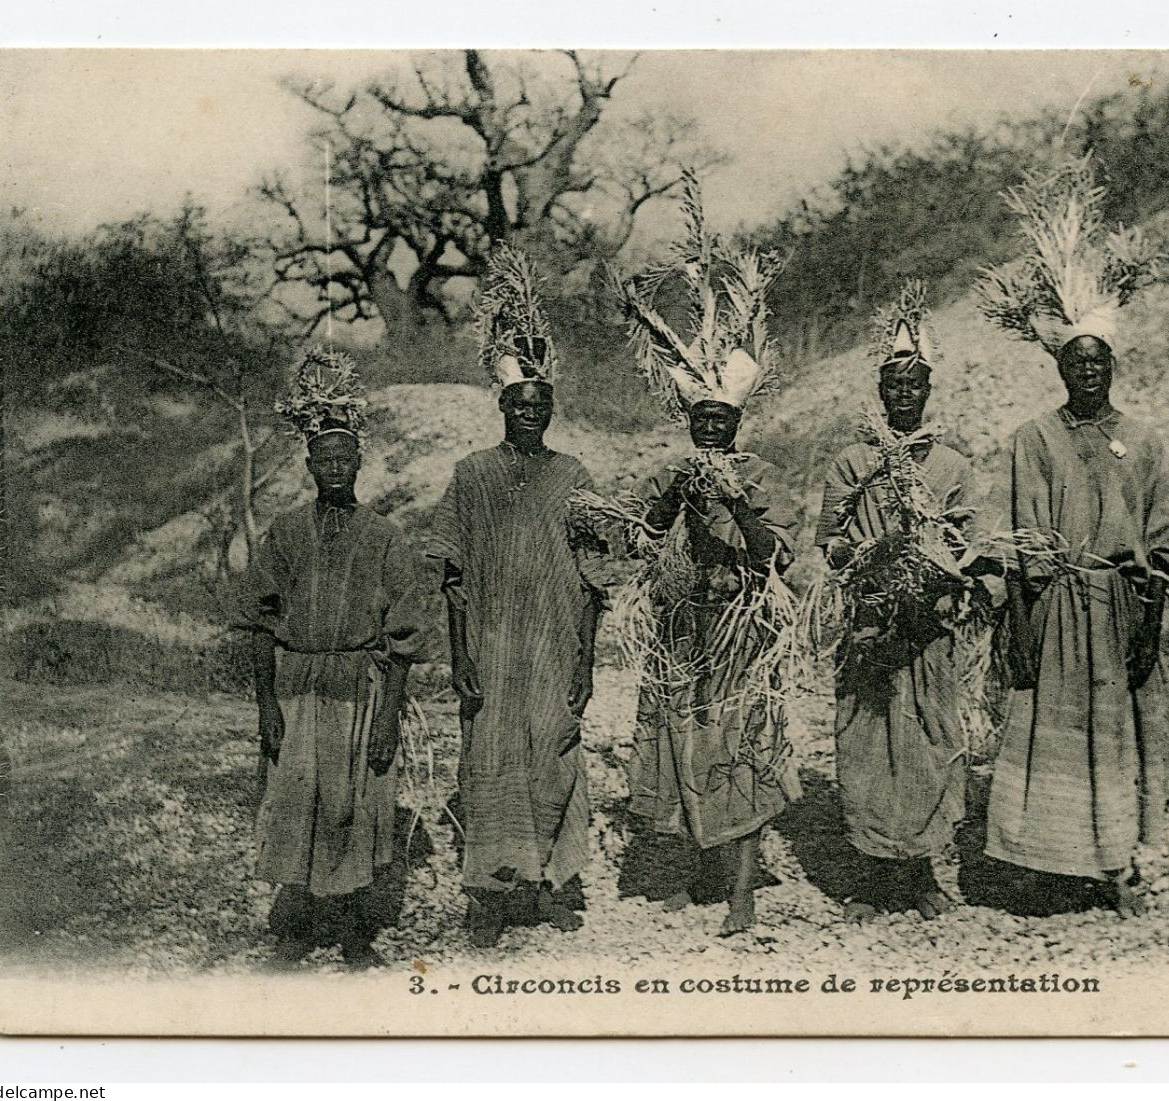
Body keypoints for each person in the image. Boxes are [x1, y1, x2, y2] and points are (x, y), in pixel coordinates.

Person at [976, 157, 1169, 917]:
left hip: (1119, 611)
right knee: (1046, 731)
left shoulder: (1145, 440)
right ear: (1060, 368)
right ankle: (1044, 868)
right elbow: (1019, 545)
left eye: (1097, 361)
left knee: (1124, 735)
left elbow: (1161, 550)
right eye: (1074, 361)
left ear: (1113, 366)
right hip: (1055, 609)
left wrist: (1147, 629)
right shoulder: (1030, 439)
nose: (1087, 373)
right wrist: (1020, 627)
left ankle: (1121, 869)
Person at [615, 174, 801, 936]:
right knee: (682, 748)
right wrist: (674, 498)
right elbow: (642, 539)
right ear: (691, 423)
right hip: (679, 629)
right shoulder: (670, 468)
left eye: (722, 421)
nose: (712, 433)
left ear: (737, 421)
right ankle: (691, 873)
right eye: (702, 422)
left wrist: (727, 498)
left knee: (741, 748)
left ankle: (741, 890)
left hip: (737, 631)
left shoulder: (756, 474)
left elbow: (774, 557)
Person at [426, 247, 604, 949]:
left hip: (554, 647)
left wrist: (586, 663)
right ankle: (491, 894)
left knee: (554, 756)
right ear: (501, 405)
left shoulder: (574, 474)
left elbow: (595, 581)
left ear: (551, 408)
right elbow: (450, 573)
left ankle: (554, 882)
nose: (530, 414)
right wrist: (458, 657)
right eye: (519, 403)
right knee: (489, 763)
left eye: (541, 404)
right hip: (492, 652)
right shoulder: (471, 476)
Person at [243, 347, 424, 970]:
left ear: (361, 463)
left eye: (348, 458)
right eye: (326, 458)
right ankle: (296, 926)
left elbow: (402, 643)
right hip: (298, 688)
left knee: (352, 807)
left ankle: (352, 933)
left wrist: (388, 718)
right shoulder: (285, 533)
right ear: (309, 464)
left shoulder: (385, 538)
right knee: (297, 802)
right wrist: (267, 706)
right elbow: (258, 624)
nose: (337, 468)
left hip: (359, 689)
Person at [814, 283, 983, 922]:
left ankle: (921, 875)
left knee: (931, 737)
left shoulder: (953, 467)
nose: (904, 394)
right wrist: (869, 559)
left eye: (915, 384)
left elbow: (965, 546)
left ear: (928, 391)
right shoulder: (851, 463)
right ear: (880, 392)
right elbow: (828, 544)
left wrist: (943, 574)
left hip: (927, 629)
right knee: (865, 741)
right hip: (868, 626)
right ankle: (870, 876)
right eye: (894, 384)